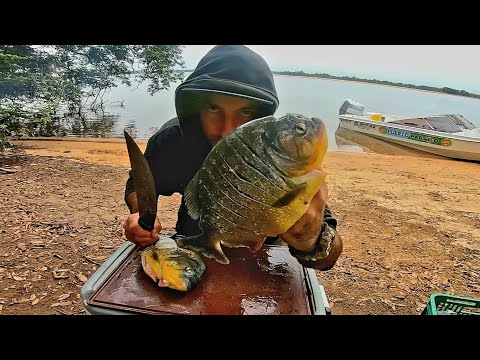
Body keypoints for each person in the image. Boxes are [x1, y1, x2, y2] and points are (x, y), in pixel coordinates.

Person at [123, 45, 343, 271]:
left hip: (263, 259)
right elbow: (138, 183)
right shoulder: (171, 142)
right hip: (192, 244)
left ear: (261, 117)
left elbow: (328, 258)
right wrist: (140, 214)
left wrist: (311, 240)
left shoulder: (280, 154)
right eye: (213, 108)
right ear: (197, 107)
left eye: (245, 112)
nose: (227, 130)